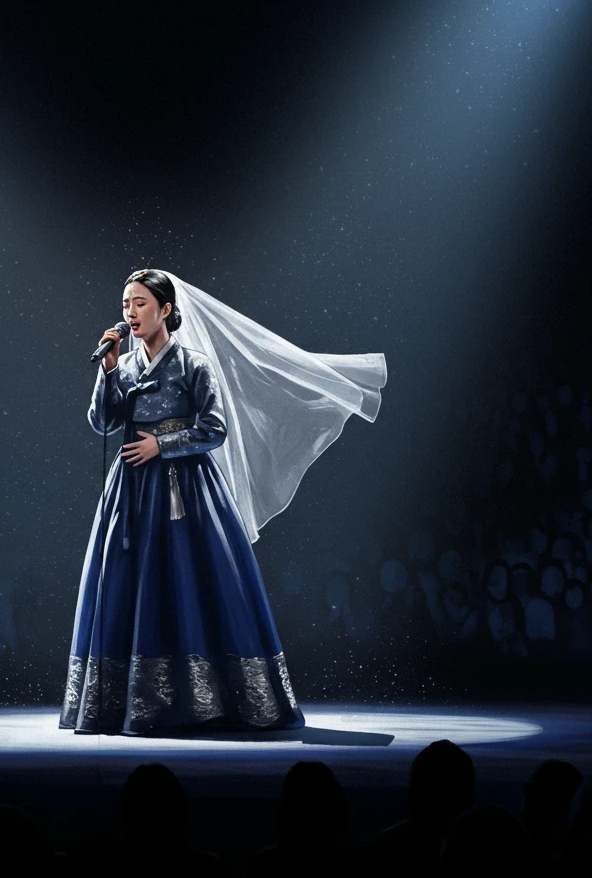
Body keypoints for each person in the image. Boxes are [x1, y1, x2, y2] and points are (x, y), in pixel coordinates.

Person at [59, 269, 386, 735]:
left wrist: (162, 443)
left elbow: (214, 428)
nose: (130, 314)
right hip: (130, 491)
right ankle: (124, 704)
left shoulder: (193, 363)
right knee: (127, 586)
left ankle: (206, 702)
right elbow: (102, 422)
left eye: (140, 304)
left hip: (184, 489)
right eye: (126, 304)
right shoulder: (125, 364)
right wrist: (108, 371)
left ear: (166, 310)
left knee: (192, 584)